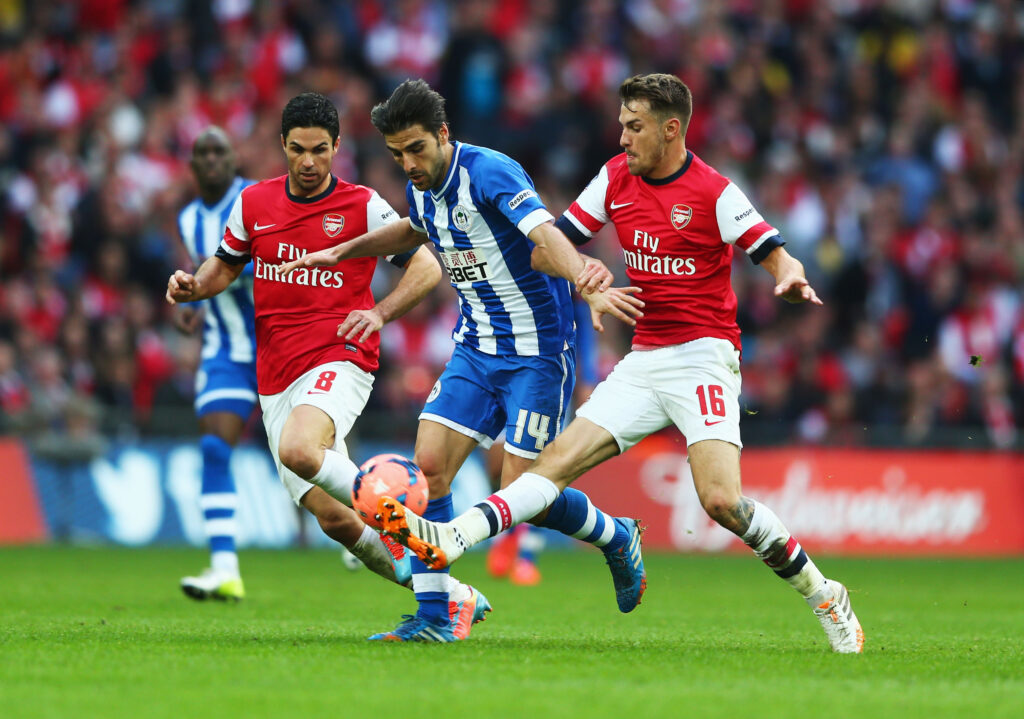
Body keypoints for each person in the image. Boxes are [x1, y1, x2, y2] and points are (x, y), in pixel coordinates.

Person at [377, 74, 866, 654]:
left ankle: (824, 593)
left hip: (704, 359)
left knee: (722, 503)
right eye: (620, 125)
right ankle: (454, 541)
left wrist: (788, 273)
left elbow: (772, 251)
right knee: (542, 471)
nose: (623, 138)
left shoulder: (714, 192)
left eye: (634, 127)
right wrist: (585, 274)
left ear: (671, 129)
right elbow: (543, 245)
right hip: (644, 361)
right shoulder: (613, 178)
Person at [277, 79, 647, 642]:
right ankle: (435, 615)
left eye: (416, 149)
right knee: (427, 467)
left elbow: (544, 235)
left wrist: (587, 283)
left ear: (443, 134)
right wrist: (347, 249)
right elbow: (413, 230)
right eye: (397, 154)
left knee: (524, 493)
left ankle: (616, 536)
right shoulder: (423, 187)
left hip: (537, 353)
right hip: (476, 347)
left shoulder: (490, 172)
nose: (408, 163)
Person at [166, 92, 489, 640]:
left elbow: (427, 266)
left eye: (320, 150)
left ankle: (402, 520)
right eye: (298, 150)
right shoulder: (254, 204)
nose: (309, 162)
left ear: (337, 146)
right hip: (276, 376)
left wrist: (380, 312)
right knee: (336, 520)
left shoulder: (362, 204)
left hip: (341, 357)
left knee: (299, 448)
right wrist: (194, 285)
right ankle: (449, 596)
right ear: (282, 147)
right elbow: (224, 265)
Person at [174, 127, 257, 602]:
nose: (209, 160)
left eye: (218, 151)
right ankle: (225, 568)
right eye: (201, 152)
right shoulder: (188, 220)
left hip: (277, 348)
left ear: (233, 159)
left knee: (309, 458)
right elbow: (205, 277)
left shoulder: (255, 200)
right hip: (225, 351)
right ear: (191, 165)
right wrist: (193, 305)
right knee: (214, 449)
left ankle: (368, 534)